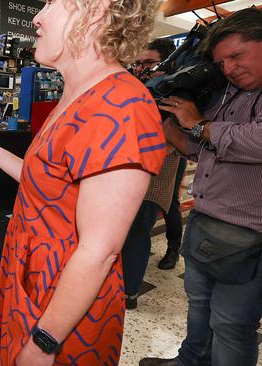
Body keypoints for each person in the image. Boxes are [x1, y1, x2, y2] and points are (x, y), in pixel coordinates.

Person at [0, 0, 166, 364]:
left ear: (96, 12)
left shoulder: (122, 107)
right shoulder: (76, 96)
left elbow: (99, 251)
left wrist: (43, 342)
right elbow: (48, 184)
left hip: (63, 302)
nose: (37, 17)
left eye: (52, 3)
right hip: (31, 279)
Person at [140, 8, 262, 366]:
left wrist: (198, 123)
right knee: (199, 306)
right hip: (207, 222)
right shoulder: (228, 94)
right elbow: (198, 147)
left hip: (249, 234)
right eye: (222, 62)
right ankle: (189, 361)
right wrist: (168, 125)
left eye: (237, 56)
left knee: (231, 324)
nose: (229, 68)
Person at [122, 38, 183, 310]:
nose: (142, 68)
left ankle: (129, 293)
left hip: (154, 177)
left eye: (149, 62)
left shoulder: (178, 94)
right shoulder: (139, 88)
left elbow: (174, 141)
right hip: (126, 172)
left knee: (137, 233)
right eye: (139, 62)